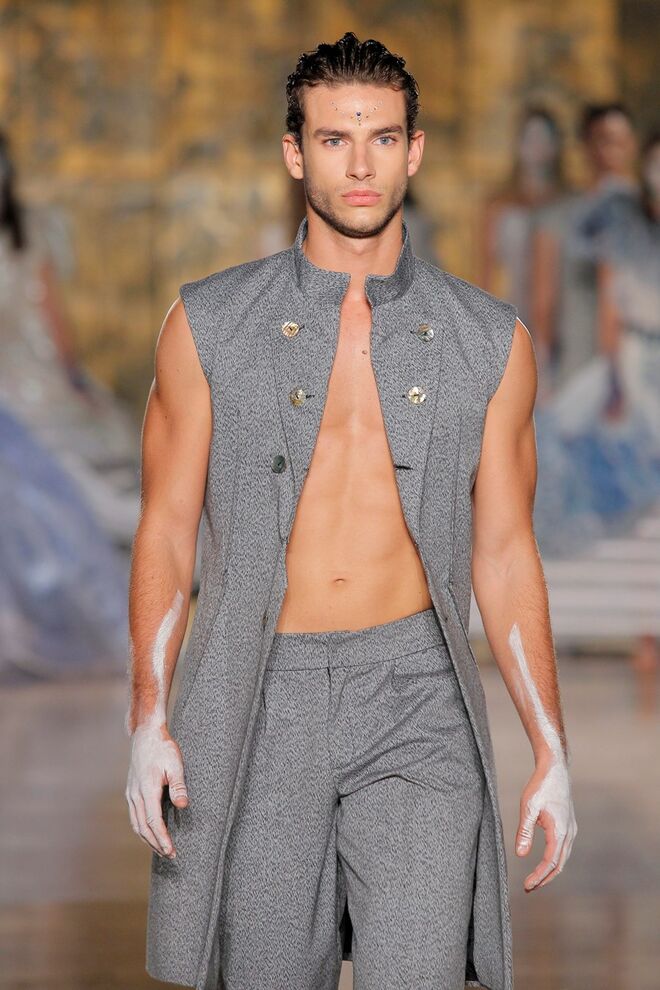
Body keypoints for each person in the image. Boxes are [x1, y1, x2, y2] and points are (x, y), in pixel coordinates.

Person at [125, 32, 577, 990]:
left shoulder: (489, 341)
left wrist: (551, 750)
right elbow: (165, 527)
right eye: (335, 139)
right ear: (296, 154)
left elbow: (504, 552)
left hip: (418, 693)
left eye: (383, 138)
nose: (361, 164)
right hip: (259, 690)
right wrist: (148, 714)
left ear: (415, 150)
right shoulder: (209, 324)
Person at [531, 102, 640, 395]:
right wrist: (543, 376)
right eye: (604, 140)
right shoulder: (558, 217)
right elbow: (544, 303)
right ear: (586, 145)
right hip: (578, 367)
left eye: (621, 140)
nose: (613, 150)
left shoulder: (647, 218)